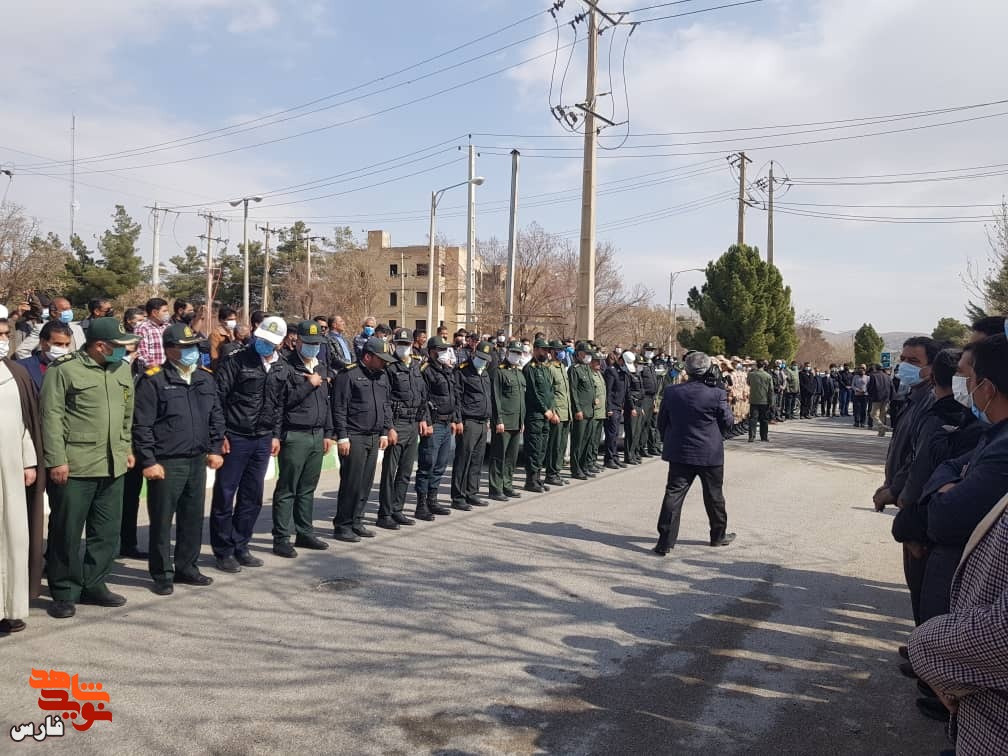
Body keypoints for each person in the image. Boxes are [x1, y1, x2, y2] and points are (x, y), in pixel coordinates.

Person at [41, 317, 138, 619]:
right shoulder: (64, 369)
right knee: (66, 532)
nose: (123, 351)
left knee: (106, 531)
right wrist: (57, 459)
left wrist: (127, 447)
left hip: (113, 463)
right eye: (118, 346)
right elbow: (51, 416)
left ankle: (95, 584)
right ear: (99, 346)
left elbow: (127, 413)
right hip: (76, 465)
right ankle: (64, 591)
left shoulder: (121, 368)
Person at [132, 324, 224, 594]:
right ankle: (162, 573)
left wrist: (215, 448)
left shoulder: (204, 378)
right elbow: (142, 426)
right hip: (166, 462)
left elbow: (216, 415)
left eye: (194, 346)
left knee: (192, 517)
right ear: (170, 349)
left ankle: (187, 567)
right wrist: (149, 461)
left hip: (197, 459)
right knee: (162, 520)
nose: (192, 351)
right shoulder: (154, 380)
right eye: (186, 347)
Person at [210, 315, 292, 573]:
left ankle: (240, 545)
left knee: (252, 496)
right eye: (262, 339)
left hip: (262, 438)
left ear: (280, 343)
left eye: (271, 342)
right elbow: (217, 400)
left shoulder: (282, 367)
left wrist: (275, 434)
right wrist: (219, 435)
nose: (264, 344)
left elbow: (279, 405)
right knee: (225, 495)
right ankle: (223, 550)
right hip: (235, 436)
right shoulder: (236, 361)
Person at [652, 351, 735, 555]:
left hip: (680, 451)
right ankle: (718, 536)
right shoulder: (716, 393)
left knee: (673, 494)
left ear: (686, 370)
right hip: (709, 452)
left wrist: (670, 438)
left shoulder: (672, 392)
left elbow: (661, 422)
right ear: (707, 369)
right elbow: (728, 422)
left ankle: (665, 541)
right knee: (714, 496)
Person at [271, 321, 333, 557]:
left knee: (307, 488)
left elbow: (327, 402)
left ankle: (304, 532)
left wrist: (329, 433)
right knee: (288, 488)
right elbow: (282, 402)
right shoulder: (286, 366)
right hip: (295, 434)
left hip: (317, 434)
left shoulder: (321, 366)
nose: (314, 347)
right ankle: (281, 537)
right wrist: (308, 385)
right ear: (297, 342)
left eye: (317, 343)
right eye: (309, 343)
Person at [0, 320, 44, 634]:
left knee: (14, 539)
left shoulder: (15, 373)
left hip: (12, 470)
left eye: (6, 334)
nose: (4, 340)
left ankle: (10, 608)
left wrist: (29, 462)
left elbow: (27, 422)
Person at [331, 337, 395, 542]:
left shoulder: (382, 375)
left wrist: (385, 430)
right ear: (368, 357)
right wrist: (342, 436)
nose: (384, 363)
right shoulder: (348, 375)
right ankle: (343, 525)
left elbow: (386, 405)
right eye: (380, 359)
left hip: (374, 436)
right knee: (351, 483)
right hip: (354, 435)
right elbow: (339, 408)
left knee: (365, 483)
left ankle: (357, 521)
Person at [378, 328, 428, 528]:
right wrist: (389, 427)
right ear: (394, 345)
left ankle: (397, 509)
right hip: (397, 423)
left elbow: (422, 395)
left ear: (411, 345)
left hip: (413, 422)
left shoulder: (416, 365)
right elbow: (385, 400)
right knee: (390, 472)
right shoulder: (389, 367)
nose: (403, 347)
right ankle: (385, 513)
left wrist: (422, 418)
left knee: (406, 471)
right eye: (400, 344)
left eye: (406, 344)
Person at [415, 336, 458, 519]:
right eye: (440, 349)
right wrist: (426, 421)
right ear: (432, 351)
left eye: (445, 349)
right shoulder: (425, 370)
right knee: (427, 464)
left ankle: (432, 500)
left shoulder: (446, 370)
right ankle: (421, 505)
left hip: (446, 423)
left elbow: (452, 396)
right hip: (434, 424)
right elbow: (422, 398)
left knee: (440, 465)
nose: (444, 353)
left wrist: (454, 419)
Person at [451, 340, 493, 510]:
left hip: (482, 422)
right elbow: (457, 397)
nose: (482, 361)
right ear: (474, 353)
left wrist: (488, 419)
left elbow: (487, 397)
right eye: (480, 357)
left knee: (477, 459)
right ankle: (458, 496)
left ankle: (472, 492)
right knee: (463, 459)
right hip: (468, 421)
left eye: (486, 359)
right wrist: (458, 420)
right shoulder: (462, 371)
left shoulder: (485, 373)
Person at [488, 340, 526, 501]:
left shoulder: (519, 373)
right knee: (499, 456)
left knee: (511, 457)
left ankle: (507, 485)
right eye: (514, 352)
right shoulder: (499, 371)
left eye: (519, 353)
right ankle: (495, 488)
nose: (517, 356)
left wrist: (522, 421)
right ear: (508, 352)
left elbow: (521, 399)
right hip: (503, 421)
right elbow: (496, 398)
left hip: (516, 421)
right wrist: (498, 420)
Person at [523, 338, 558, 492]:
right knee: (534, 448)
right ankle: (530, 481)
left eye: (547, 350)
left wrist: (552, 410)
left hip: (546, 416)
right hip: (535, 415)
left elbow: (549, 392)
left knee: (542, 448)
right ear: (536, 349)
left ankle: (538, 479)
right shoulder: (529, 368)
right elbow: (532, 393)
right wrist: (545, 410)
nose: (546, 353)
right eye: (543, 350)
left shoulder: (544, 368)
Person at [568, 342, 597, 480]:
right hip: (581, 412)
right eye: (586, 354)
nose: (588, 357)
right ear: (579, 354)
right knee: (578, 442)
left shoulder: (587, 369)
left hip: (590, 410)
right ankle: (576, 469)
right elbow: (573, 391)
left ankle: (584, 466)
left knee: (587, 441)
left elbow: (590, 387)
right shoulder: (574, 369)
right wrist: (577, 409)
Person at [16, 320, 73, 390]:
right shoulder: (21, 367)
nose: (63, 349)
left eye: (67, 344)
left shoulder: (73, 367)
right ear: (43, 342)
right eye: (58, 344)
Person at [545, 339, 572, 486]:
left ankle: (557, 471)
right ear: (552, 352)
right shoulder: (550, 368)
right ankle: (551, 474)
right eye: (559, 350)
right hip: (557, 413)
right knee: (554, 445)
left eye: (562, 350)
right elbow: (549, 393)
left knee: (561, 445)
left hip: (566, 412)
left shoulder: (562, 367)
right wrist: (553, 412)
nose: (562, 353)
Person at [603, 350, 628, 469]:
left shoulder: (623, 372)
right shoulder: (611, 371)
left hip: (618, 407)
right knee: (611, 434)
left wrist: (622, 405)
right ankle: (609, 458)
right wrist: (608, 407)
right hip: (612, 407)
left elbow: (622, 391)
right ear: (621, 360)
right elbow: (608, 391)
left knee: (616, 434)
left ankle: (615, 456)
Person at [638, 342, 661, 457]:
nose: (650, 352)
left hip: (652, 397)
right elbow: (639, 380)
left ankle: (647, 447)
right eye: (648, 349)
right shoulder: (641, 362)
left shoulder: (651, 363)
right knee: (642, 424)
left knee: (649, 424)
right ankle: (639, 448)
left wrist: (655, 398)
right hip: (644, 397)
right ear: (643, 349)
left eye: (652, 350)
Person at [622, 351, 644, 465]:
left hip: (639, 405)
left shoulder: (638, 374)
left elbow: (641, 390)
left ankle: (634, 453)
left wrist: (641, 407)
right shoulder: (628, 374)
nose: (639, 366)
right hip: (632, 406)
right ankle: (628, 456)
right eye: (638, 363)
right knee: (631, 432)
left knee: (637, 432)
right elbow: (628, 392)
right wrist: (632, 407)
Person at [588, 351, 607, 474]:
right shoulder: (590, 374)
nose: (599, 363)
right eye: (596, 361)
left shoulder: (599, 374)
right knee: (591, 439)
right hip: (594, 412)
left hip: (601, 412)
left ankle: (594, 460)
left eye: (600, 361)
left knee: (596, 439)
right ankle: (589, 462)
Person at [746, 360, 772, 443]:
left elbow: (748, 383)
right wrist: (771, 401)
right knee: (764, 419)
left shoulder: (751, 374)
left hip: (753, 400)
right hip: (764, 400)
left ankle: (751, 437)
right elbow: (771, 390)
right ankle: (764, 437)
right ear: (764, 366)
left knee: (753, 419)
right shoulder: (768, 376)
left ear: (756, 365)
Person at [868, 364, 894, 435]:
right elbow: (892, 387)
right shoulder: (887, 376)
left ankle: (881, 425)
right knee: (882, 415)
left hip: (877, 397)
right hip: (886, 398)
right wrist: (891, 398)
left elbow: (870, 387)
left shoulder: (873, 376)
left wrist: (870, 396)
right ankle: (881, 432)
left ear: (875, 368)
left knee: (873, 414)